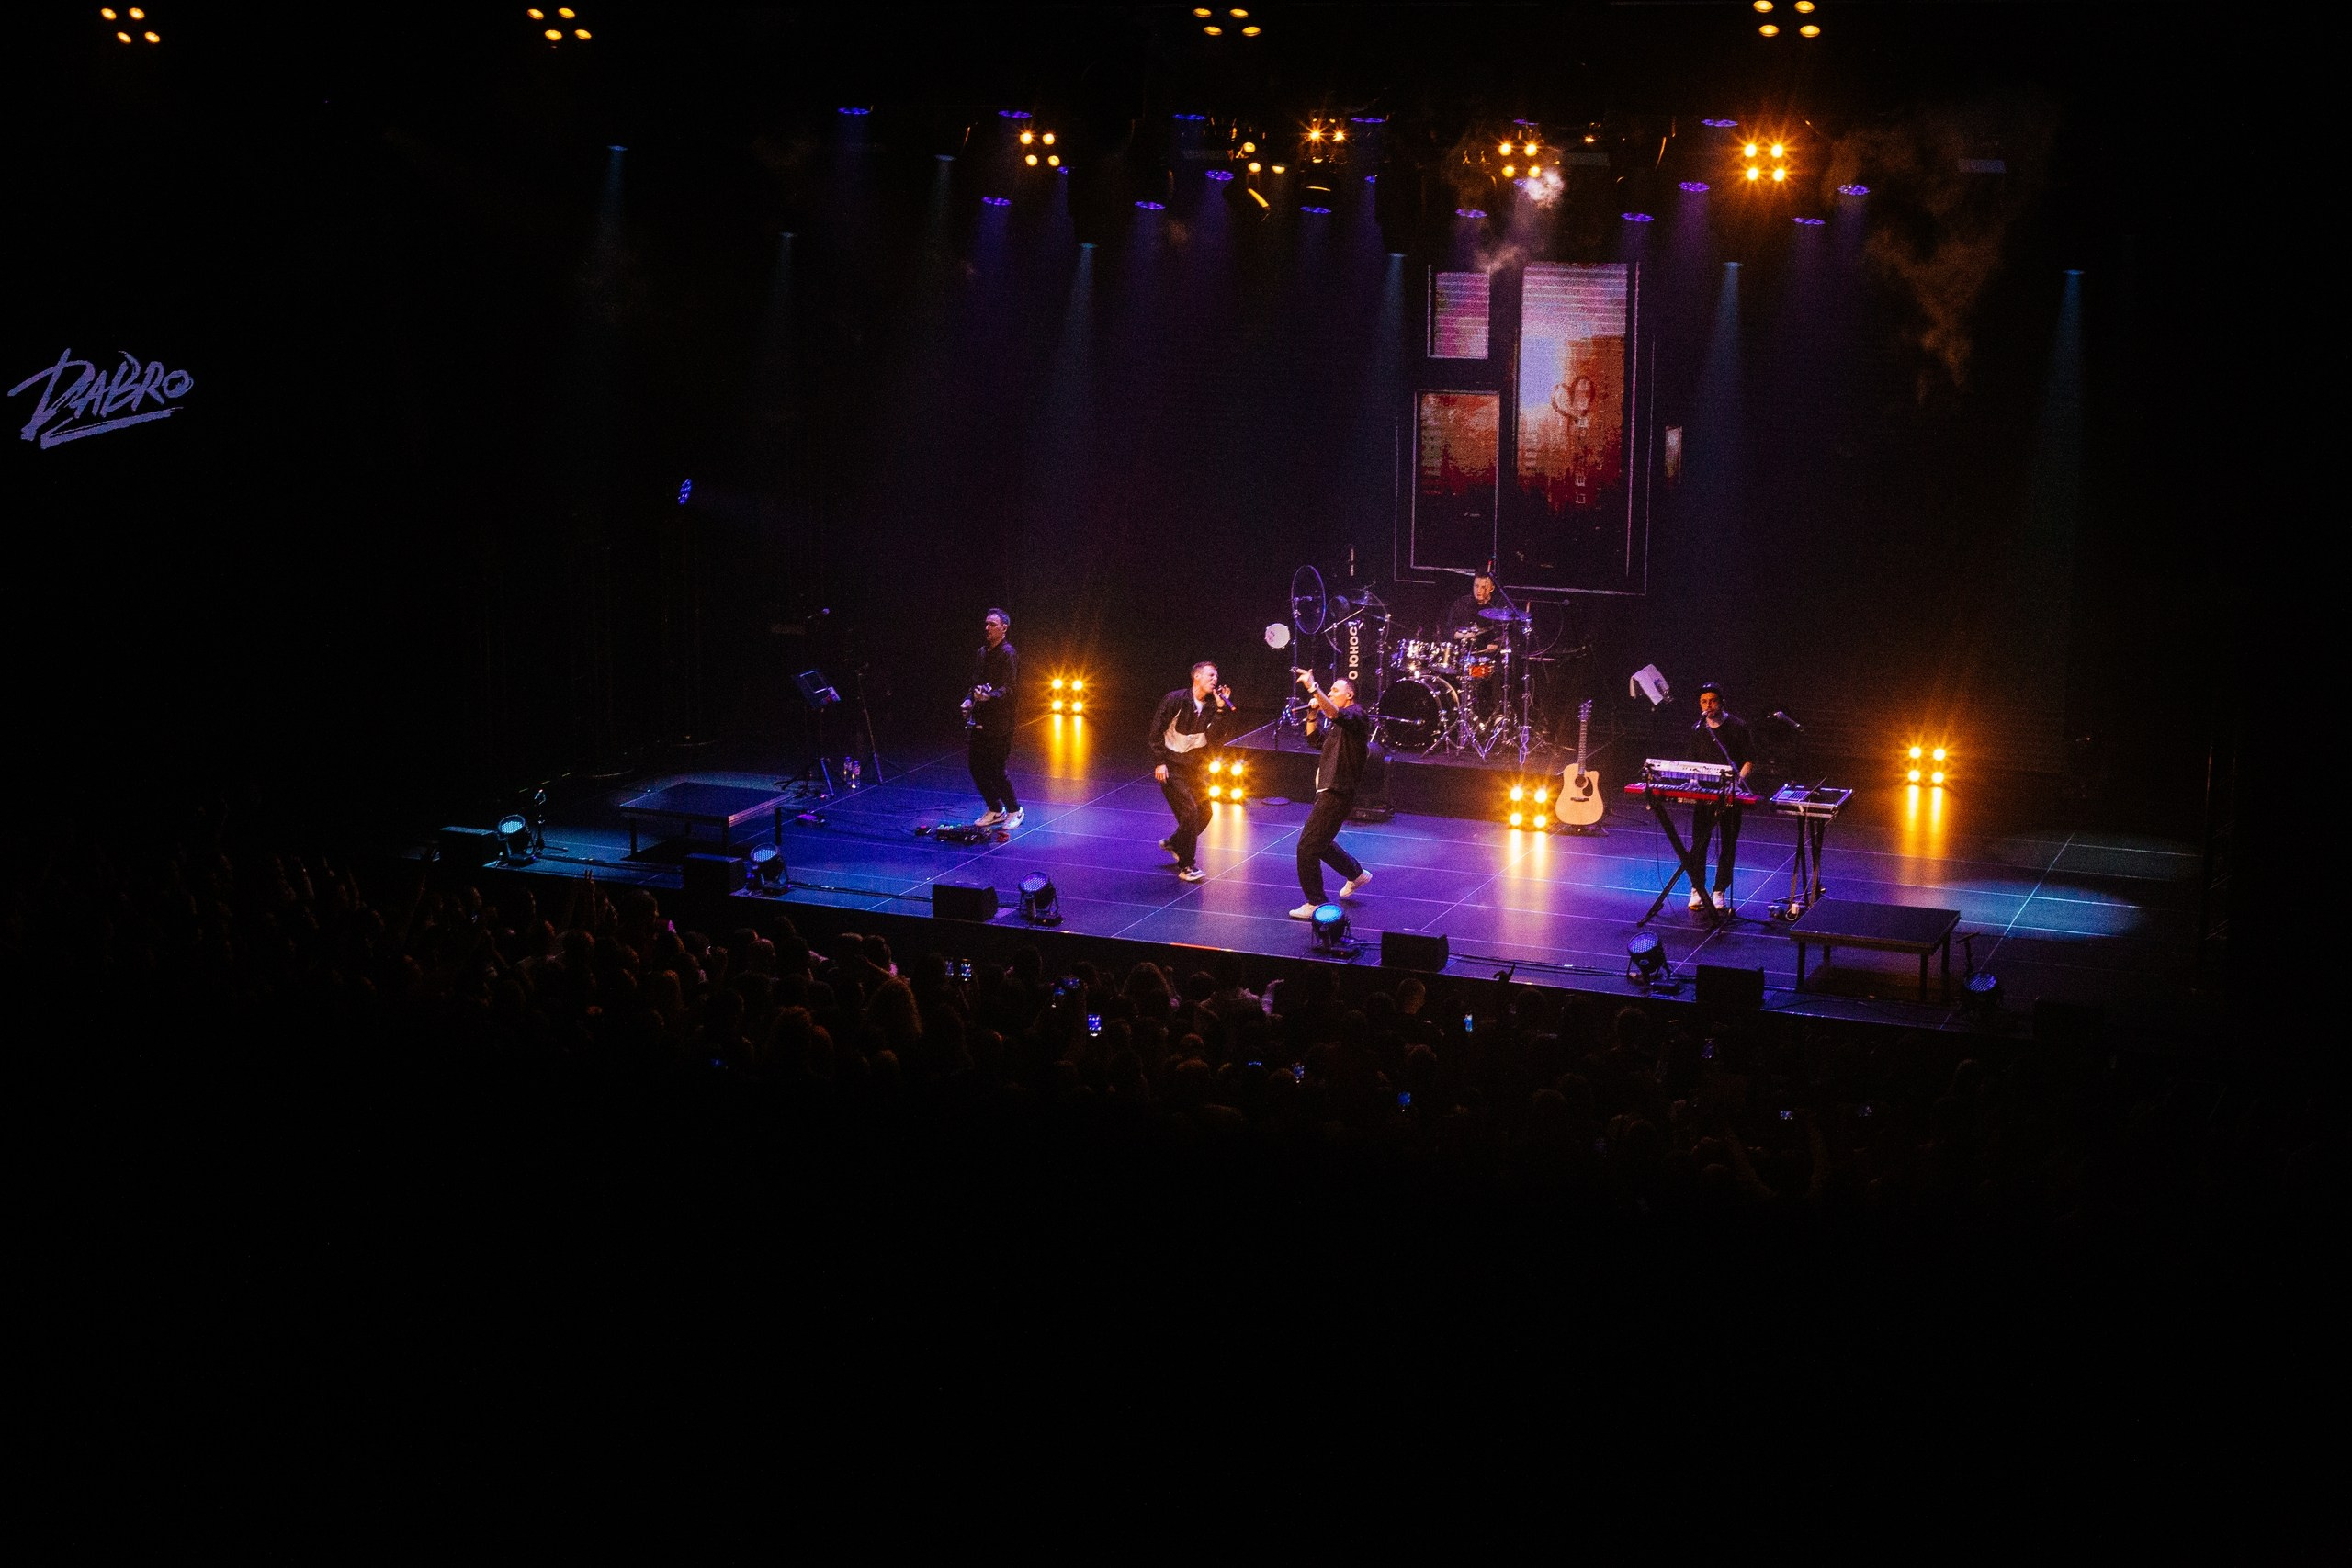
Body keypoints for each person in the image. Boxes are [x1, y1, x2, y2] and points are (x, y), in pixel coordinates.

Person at [1290, 669, 1373, 919]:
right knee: (1321, 843)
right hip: (1329, 789)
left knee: (1306, 847)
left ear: (1350, 694)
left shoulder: (1356, 716)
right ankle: (1356, 874)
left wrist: (1314, 688)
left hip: (1337, 791)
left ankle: (1315, 902)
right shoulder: (1338, 728)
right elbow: (1315, 739)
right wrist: (1312, 714)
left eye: (1335, 690)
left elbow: (1335, 713)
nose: (1330, 693)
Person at [1148, 662, 1238, 884]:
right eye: (1210, 675)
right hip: (1171, 765)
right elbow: (1156, 730)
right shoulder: (1175, 699)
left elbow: (1215, 739)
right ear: (1196, 677)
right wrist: (1159, 762)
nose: (1215, 679)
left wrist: (1220, 709)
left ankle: (1175, 843)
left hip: (1193, 767)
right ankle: (1187, 865)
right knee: (1189, 812)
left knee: (1206, 812)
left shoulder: (1211, 706)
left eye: (1217, 675)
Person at [1688, 682, 1753, 911]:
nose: (1708, 706)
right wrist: (1693, 783)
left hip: (1730, 791)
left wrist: (1737, 782)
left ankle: (1719, 891)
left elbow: (1748, 760)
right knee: (1699, 842)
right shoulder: (1698, 729)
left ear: (1721, 702)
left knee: (1728, 843)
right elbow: (1692, 763)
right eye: (1704, 702)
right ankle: (1697, 889)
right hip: (1705, 792)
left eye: (1713, 701)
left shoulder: (1737, 726)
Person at [966, 609, 1023, 829]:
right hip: (980, 720)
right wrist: (969, 700)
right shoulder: (982, 652)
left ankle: (1014, 810)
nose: (987, 628)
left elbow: (1010, 688)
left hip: (1000, 722)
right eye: (986, 624)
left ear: (1004, 628)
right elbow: (975, 682)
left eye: (992, 624)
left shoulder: (1008, 654)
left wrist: (991, 696)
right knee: (976, 767)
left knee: (996, 769)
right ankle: (995, 808)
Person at [1443, 570, 1516, 724]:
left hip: (1486, 661)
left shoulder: (1498, 608)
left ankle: (1497, 717)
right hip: (1461, 659)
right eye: (1476, 586)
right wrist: (1465, 635)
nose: (1479, 590)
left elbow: (1506, 634)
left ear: (1491, 589)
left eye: (1483, 587)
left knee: (1497, 672)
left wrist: (1496, 643)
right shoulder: (1461, 604)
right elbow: (1448, 631)